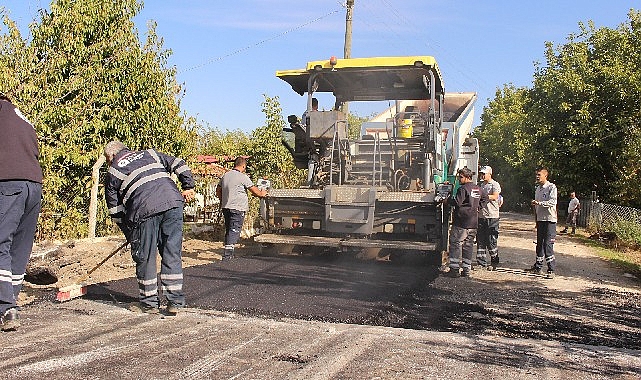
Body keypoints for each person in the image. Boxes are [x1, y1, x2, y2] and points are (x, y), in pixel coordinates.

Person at [104, 140, 195, 315]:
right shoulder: (150, 154)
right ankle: (175, 301)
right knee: (171, 253)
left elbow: (116, 213)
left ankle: (149, 303)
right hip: (173, 203)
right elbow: (179, 163)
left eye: (108, 160)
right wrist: (188, 186)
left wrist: (131, 235)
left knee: (145, 256)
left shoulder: (113, 172)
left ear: (112, 156)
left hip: (143, 210)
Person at [0, 93, 43, 331]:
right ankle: (11, 303)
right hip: (33, 185)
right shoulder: (21, 118)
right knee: (20, 246)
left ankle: (5, 306)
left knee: (0, 243)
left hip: (8, 183)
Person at [216, 157, 267, 261]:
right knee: (234, 230)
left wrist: (224, 199)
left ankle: (229, 253)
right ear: (243, 166)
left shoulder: (225, 176)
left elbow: (218, 191)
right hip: (237, 208)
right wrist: (262, 193)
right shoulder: (242, 177)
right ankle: (227, 256)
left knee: (229, 229)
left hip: (226, 207)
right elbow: (254, 191)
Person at [443, 167, 488, 278]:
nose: (459, 179)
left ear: (467, 177)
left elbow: (457, 202)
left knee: (456, 244)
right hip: (473, 223)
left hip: (461, 222)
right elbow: (485, 198)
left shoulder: (463, 189)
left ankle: (454, 269)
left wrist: (446, 200)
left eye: (461, 177)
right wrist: (478, 207)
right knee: (468, 246)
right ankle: (466, 270)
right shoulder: (477, 188)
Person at [528, 167, 557, 279]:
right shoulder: (538, 189)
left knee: (548, 244)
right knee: (539, 244)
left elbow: (552, 202)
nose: (537, 176)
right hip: (541, 220)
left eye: (539, 175)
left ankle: (551, 269)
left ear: (546, 175)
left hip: (550, 220)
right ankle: (538, 267)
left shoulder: (551, 187)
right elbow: (536, 207)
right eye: (536, 175)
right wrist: (536, 219)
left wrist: (539, 203)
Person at [476, 166, 502, 270]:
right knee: (480, 239)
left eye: (484, 173)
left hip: (492, 216)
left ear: (489, 174)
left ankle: (494, 259)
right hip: (481, 216)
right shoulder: (480, 185)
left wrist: (484, 196)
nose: (482, 175)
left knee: (491, 240)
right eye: (481, 173)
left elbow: (496, 196)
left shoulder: (495, 184)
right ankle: (481, 263)